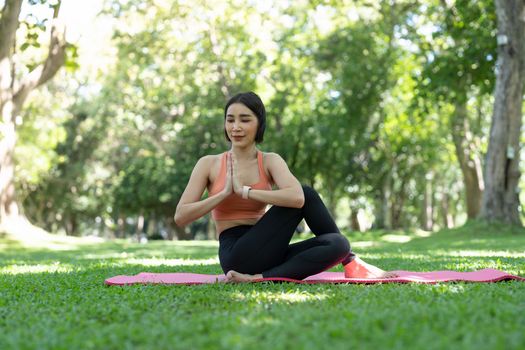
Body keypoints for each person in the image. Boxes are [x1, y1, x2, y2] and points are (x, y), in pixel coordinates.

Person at [174, 91, 396, 282]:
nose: (236, 127)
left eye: (245, 119)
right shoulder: (209, 164)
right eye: (230, 120)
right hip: (236, 254)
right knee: (305, 194)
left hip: (269, 247)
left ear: (259, 123)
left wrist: (246, 191)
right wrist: (223, 194)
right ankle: (353, 263)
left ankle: (261, 278)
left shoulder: (270, 160)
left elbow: (298, 199)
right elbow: (181, 216)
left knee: (338, 243)